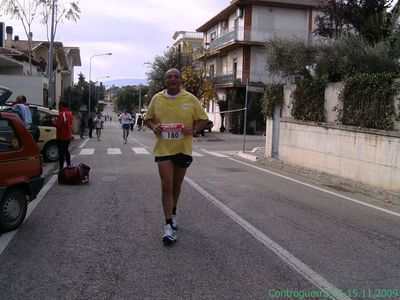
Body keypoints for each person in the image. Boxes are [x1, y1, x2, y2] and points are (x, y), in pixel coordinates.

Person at [145, 68, 208, 245]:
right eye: (169, 77)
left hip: (182, 148)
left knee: (176, 186)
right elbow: (148, 118)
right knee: (166, 185)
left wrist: (194, 129)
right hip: (163, 149)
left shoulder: (190, 98)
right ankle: (167, 227)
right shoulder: (157, 98)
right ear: (165, 81)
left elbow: (203, 119)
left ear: (181, 80)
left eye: (176, 77)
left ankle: (173, 213)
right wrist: (154, 127)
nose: (173, 79)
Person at [52, 101, 73, 172]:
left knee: (61, 153)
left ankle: (61, 168)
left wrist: (53, 121)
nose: (58, 107)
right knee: (66, 151)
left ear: (62, 106)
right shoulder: (70, 113)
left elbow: (58, 125)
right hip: (68, 136)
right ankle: (69, 165)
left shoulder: (62, 114)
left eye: (59, 106)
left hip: (62, 136)